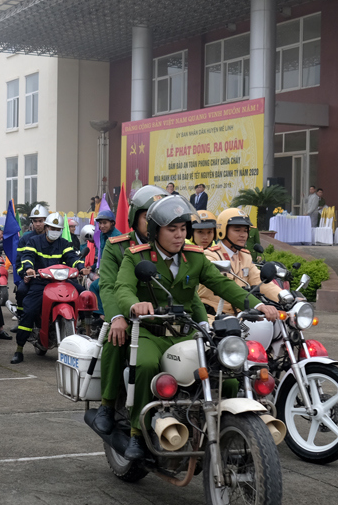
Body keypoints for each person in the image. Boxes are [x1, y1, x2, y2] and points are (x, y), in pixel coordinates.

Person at [112, 195, 279, 458]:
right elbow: (122, 289)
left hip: (186, 332)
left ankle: (227, 428)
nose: (179, 236)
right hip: (150, 332)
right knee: (144, 366)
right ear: (156, 231)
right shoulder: (137, 257)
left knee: (226, 370)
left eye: (182, 229)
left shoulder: (196, 257)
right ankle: (136, 433)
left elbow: (223, 284)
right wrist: (135, 305)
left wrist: (257, 305)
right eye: (172, 229)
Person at [92, 184, 166, 433]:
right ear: (135, 219)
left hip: (164, 318)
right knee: (116, 337)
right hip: (128, 315)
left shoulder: (169, 246)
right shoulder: (118, 246)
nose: (156, 222)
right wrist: (117, 317)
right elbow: (109, 286)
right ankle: (107, 403)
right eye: (149, 217)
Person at [10, 212, 84, 364]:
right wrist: (29, 268)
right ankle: (19, 348)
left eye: (58, 229)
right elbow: (27, 257)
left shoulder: (64, 243)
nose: (54, 231)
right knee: (29, 311)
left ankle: (86, 332)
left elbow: (72, 258)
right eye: (52, 228)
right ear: (46, 227)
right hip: (40, 282)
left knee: (85, 295)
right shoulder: (33, 241)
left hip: (61, 281)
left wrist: (81, 267)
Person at [199, 208, 280, 316]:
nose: (243, 235)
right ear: (223, 230)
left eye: (245, 231)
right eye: (237, 230)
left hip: (240, 317)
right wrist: (258, 305)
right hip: (213, 318)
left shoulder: (245, 256)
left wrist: (286, 297)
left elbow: (259, 281)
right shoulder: (210, 256)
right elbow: (225, 286)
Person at [10, 204, 49, 327]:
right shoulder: (25, 239)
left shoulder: (54, 238)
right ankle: (23, 319)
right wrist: (24, 275)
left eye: (41, 221)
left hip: (51, 277)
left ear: (46, 221)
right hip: (31, 278)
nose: (38, 224)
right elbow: (19, 261)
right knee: (21, 291)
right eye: (35, 221)